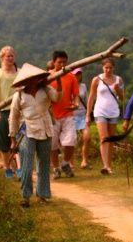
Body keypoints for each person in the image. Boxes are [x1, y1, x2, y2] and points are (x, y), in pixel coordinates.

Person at [9, 63, 61, 207]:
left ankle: (42, 195)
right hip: (27, 131)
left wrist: (60, 81)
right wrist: (13, 139)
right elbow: (13, 117)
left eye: (34, 78)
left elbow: (57, 98)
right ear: (23, 81)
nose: (31, 81)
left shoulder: (46, 90)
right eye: (28, 79)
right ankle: (26, 196)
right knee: (27, 164)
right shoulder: (19, 95)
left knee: (44, 163)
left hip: (45, 128)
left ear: (38, 78)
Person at [86, 57, 124, 175]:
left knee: (111, 139)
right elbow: (91, 97)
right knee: (104, 138)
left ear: (113, 68)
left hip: (113, 111)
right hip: (100, 111)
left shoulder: (119, 80)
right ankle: (106, 166)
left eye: (110, 68)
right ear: (102, 67)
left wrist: (118, 90)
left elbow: (123, 98)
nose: (108, 70)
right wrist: (88, 114)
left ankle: (109, 164)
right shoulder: (96, 80)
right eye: (106, 67)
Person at [46, 51, 80, 179]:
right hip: (52, 115)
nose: (62, 64)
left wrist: (76, 105)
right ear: (54, 62)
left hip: (68, 113)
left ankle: (65, 163)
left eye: (64, 62)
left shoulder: (71, 77)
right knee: (52, 144)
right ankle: (55, 168)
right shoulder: (48, 77)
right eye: (59, 62)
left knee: (70, 141)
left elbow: (75, 95)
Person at [0, 47, 20, 178]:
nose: (10, 58)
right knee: (3, 140)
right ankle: (7, 167)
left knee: (19, 140)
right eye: (8, 56)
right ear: (2, 58)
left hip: (18, 110)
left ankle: (20, 168)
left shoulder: (20, 72)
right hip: (3, 111)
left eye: (12, 56)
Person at [71, 68, 93, 169]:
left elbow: (87, 101)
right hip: (71, 115)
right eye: (75, 74)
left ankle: (84, 161)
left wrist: (89, 114)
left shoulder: (83, 86)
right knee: (71, 140)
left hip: (83, 115)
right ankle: (70, 163)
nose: (77, 76)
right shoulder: (68, 85)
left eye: (79, 74)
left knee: (87, 138)